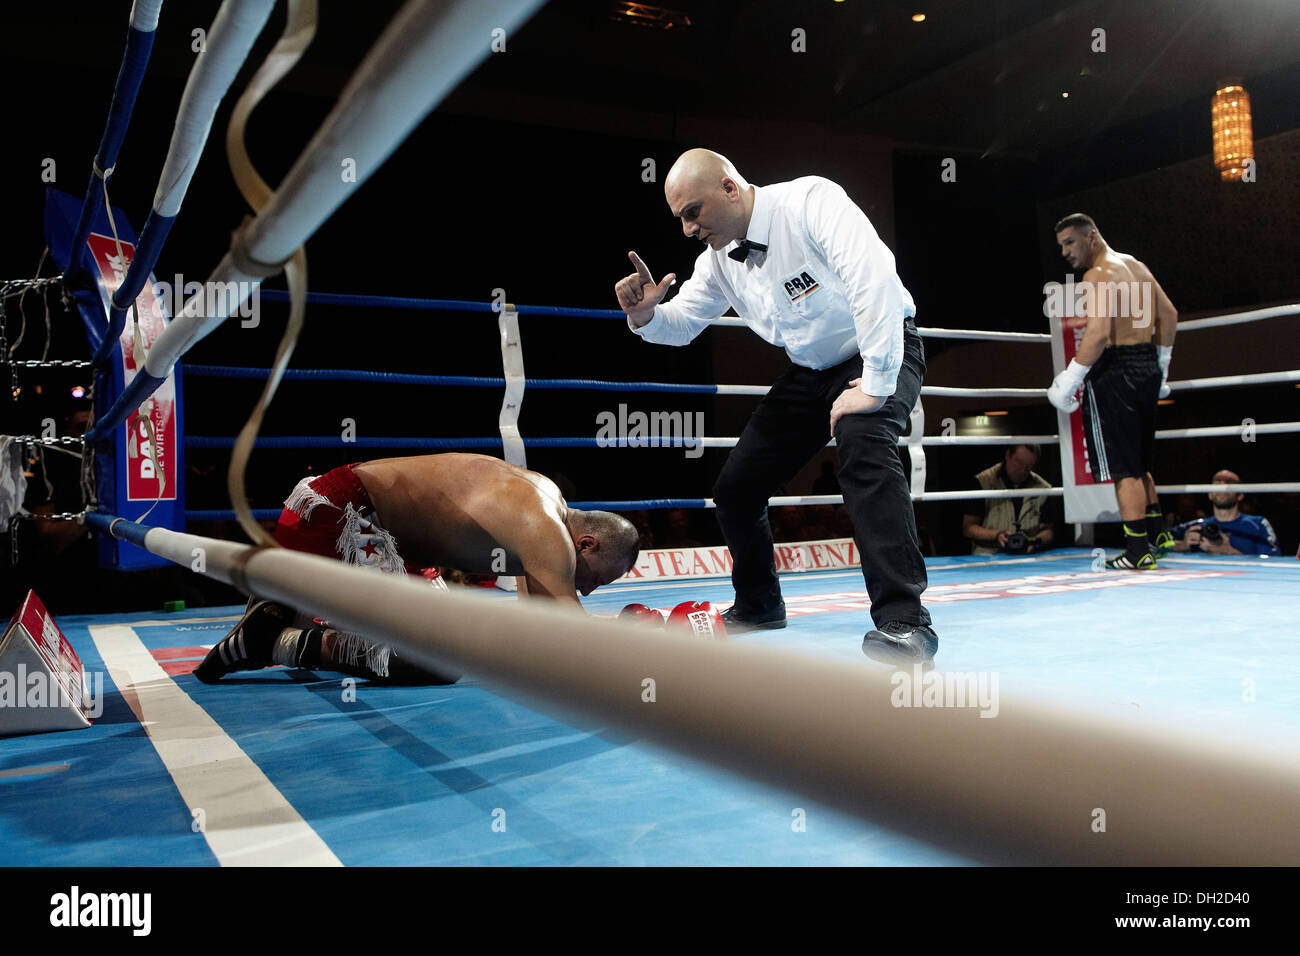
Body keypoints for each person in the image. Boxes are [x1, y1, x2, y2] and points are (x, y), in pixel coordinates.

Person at [613, 148, 935, 663]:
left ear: (729, 187)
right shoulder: (718, 261)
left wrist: (873, 385)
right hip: (809, 372)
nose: (687, 229)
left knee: (864, 445)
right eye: (679, 219)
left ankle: (905, 624)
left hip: (881, 345)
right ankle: (759, 603)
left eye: (692, 211)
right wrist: (645, 316)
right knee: (736, 488)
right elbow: (681, 326)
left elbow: (872, 278)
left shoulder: (811, 202)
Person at [195, 453, 640, 684]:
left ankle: (282, 604)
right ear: (586, 543)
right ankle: (276, 640)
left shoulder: (542, 501)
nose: (587, 591)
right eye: (597, 579)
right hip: (341, 518)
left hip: (355, 523)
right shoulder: (545, 530)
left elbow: (541, 628)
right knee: (433, 660)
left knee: (444, 635)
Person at [1046, 213, 1178, 569]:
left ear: (1092, 236)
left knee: (1123, 468)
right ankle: (1158, 535)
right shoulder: (1135, 266)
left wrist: (1070, 377)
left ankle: (1137, 552)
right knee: (1140, 461)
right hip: (1146, 365)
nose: (1065, 253)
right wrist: (1161, 365)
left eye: (1070, 242)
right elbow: (1169, 315)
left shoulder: (1097, 274)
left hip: (1116, 372)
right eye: (1061, 246)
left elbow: (1099, 334)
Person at [962, 444, 1058, 556]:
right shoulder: (983, 482)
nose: (1022, 470)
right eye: (1019, 463)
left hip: (1029, 556)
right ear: (1008, 455)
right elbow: (968, 528)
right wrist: (997, 535)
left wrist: (1033, 542)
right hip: (988, 555)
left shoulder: (1043, 489)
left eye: (1028, 466)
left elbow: (1049, 531)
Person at [1168, 470, 1281, 556]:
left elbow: (1273, 559)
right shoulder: (1196, 526)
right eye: (1217, 483)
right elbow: (1156, 543)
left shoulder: (1258, 524)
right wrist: (1182, 545)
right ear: (1210, 494)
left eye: (1228, 483)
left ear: (1240, 494)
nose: (1222, 486)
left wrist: (1228, 551)